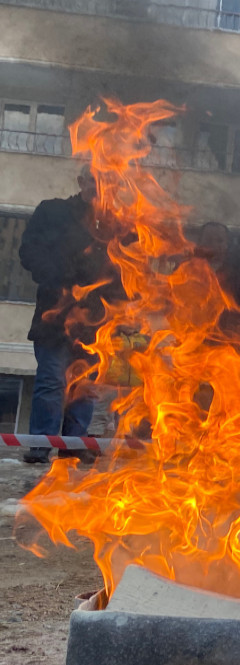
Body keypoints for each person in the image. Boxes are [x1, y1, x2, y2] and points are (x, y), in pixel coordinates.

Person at [18, 165, 116, 464]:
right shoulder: (52, 213)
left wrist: (120, 309)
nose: (99, 188)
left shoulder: (114, 225)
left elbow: (124, 273)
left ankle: (73, 443)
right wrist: (57, 278)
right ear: (81, 181)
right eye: (94, 180)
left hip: (94, 322)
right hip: (55, 316)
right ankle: (40, 444)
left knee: (84, 385)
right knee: (51, 381)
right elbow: (28, 252)